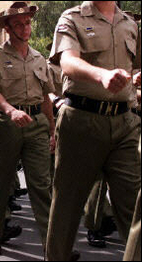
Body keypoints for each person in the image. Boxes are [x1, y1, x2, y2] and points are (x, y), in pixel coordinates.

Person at [46, 2, 141, 261]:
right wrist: (101, 76)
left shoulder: (130, 24)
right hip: (81, 121)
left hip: (125, 123)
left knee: (135, 206)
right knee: (67, 205)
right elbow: (67, 62)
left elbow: (136, 65)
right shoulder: (72, 18)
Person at [0, 2, 55, 255]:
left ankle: (53, 245)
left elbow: (45, 98)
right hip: (7, 124)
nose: (25, 28)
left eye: (28, 23)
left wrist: (52, 130)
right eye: (19, 24)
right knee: (1, 180)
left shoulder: (39, 58)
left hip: (36, 124)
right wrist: (10, 110)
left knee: (42, 185)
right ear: (8, 29)